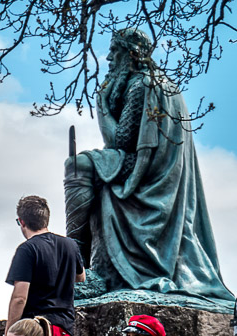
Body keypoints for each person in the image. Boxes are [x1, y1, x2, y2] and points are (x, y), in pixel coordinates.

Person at [64, 28, 233, 305]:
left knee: (78, 164)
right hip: (159, 173)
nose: (108, 58)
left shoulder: (141, 85)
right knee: (86, 166)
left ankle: (76, 264)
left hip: (147, 175)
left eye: (115, 51)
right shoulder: (158, 83)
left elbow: (119, 141)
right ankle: (79, 263)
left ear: (130, 54)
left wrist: (103, 106)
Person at [5, 196, 85, 336]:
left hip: (35, 330)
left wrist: (9, 333)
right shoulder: (70, 245)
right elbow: (81, 277)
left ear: (22, 221)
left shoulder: (27, 249)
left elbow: (19, 297)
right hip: (63, 327)